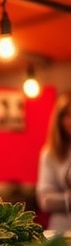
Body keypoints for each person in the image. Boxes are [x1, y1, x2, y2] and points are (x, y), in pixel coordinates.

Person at [36, 93, 71, 233]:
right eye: (67, 115)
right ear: (59, 120)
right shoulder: (50, 154)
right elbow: (45, 200)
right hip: (62, 228)